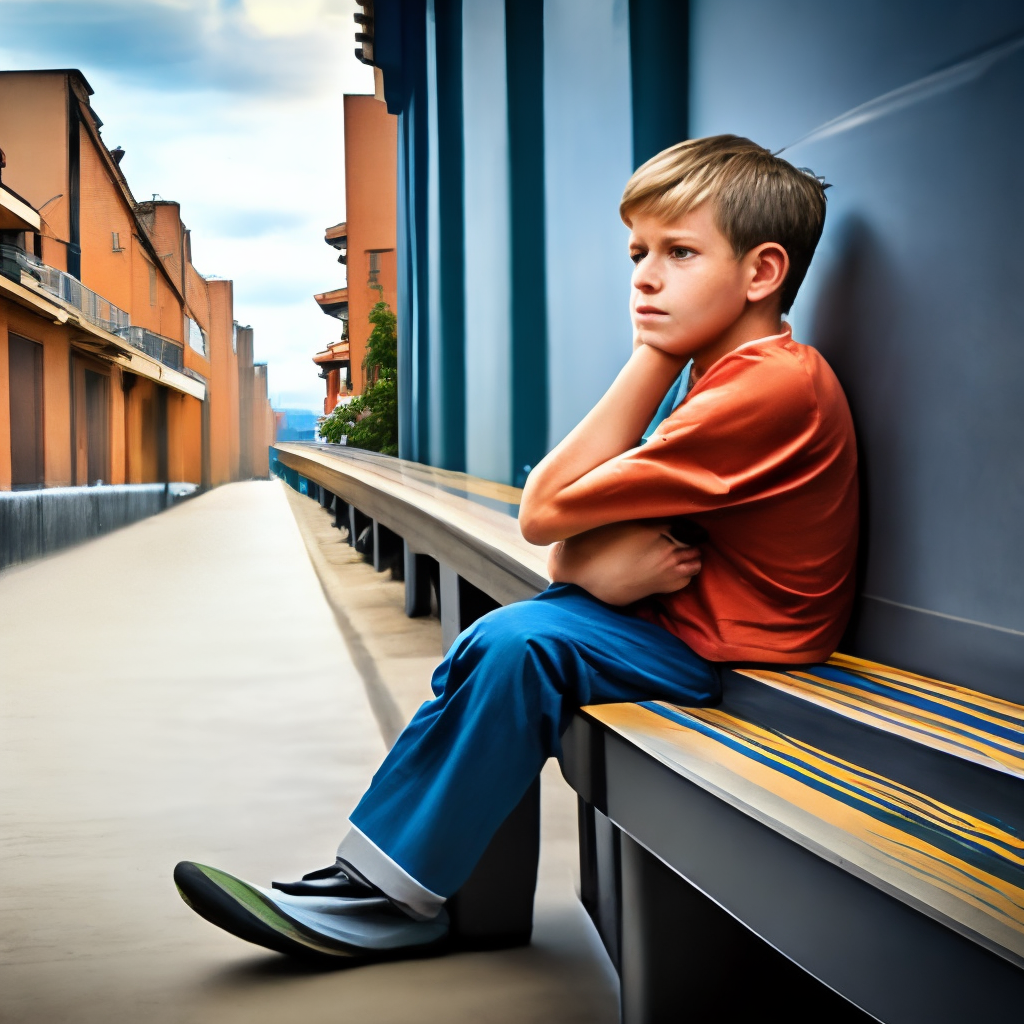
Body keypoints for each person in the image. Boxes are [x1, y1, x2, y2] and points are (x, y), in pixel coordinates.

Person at [174, 135, 858, 959]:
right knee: (492, 645)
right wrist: (586, 561)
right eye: (638, 252)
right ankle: (383, 877)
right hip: (686, 620)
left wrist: (647, 360)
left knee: (515, 644)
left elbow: (545, 510)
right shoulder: (720, 370)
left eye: (680, 253)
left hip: (745, 656)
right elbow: (573, 531)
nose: (644, 276)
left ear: (761, 273)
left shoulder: (765, 387)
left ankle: (390, 900)